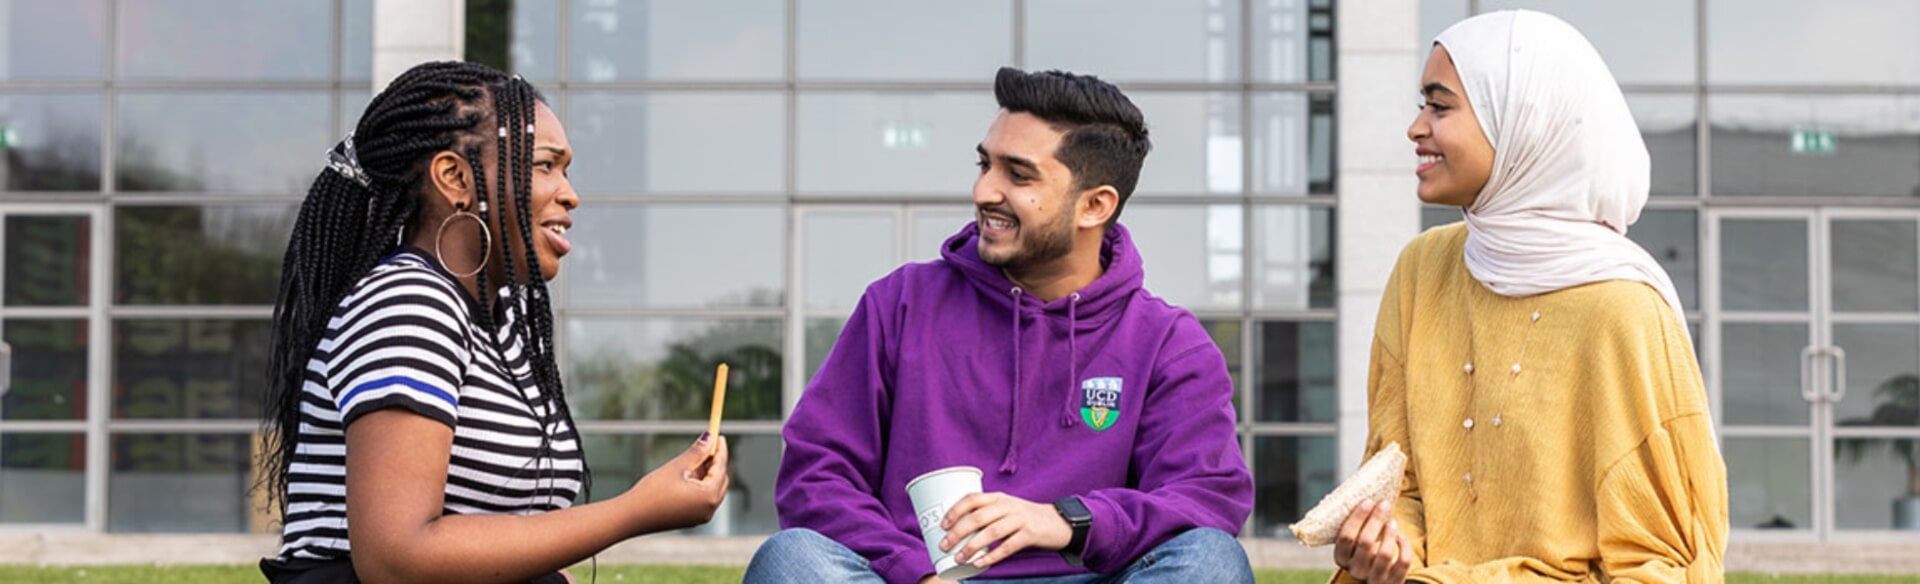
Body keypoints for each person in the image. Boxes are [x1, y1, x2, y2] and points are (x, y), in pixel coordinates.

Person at [743, 67, 1255, 584]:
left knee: (1211, 560)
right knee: (793, 559)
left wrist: (1068, 520)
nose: (985, 191)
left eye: (1019, 174)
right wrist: (912, 570)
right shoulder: (899, 304)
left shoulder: (1168, 342)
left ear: (1095, 205)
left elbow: (1206, 496)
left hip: (1089, 576)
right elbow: (817, 475)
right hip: (922, 578)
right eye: (985, 164)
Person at [256, 61, 730, 584]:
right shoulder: (409, 302)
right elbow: (395, 559)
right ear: (455, 178)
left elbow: (495, 542)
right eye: (546, 166)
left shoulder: (499, 324)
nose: (570, 194)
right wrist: (636, 510)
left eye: (565, 170)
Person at [1330, 10, 1728, 583]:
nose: (1415, 127)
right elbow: (1399, 482)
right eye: (1423, 105)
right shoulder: (1422, 270)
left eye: (1440, 107)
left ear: (1522, 122)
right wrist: (1387, 545)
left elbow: (1659, 562)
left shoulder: (1622, 307)